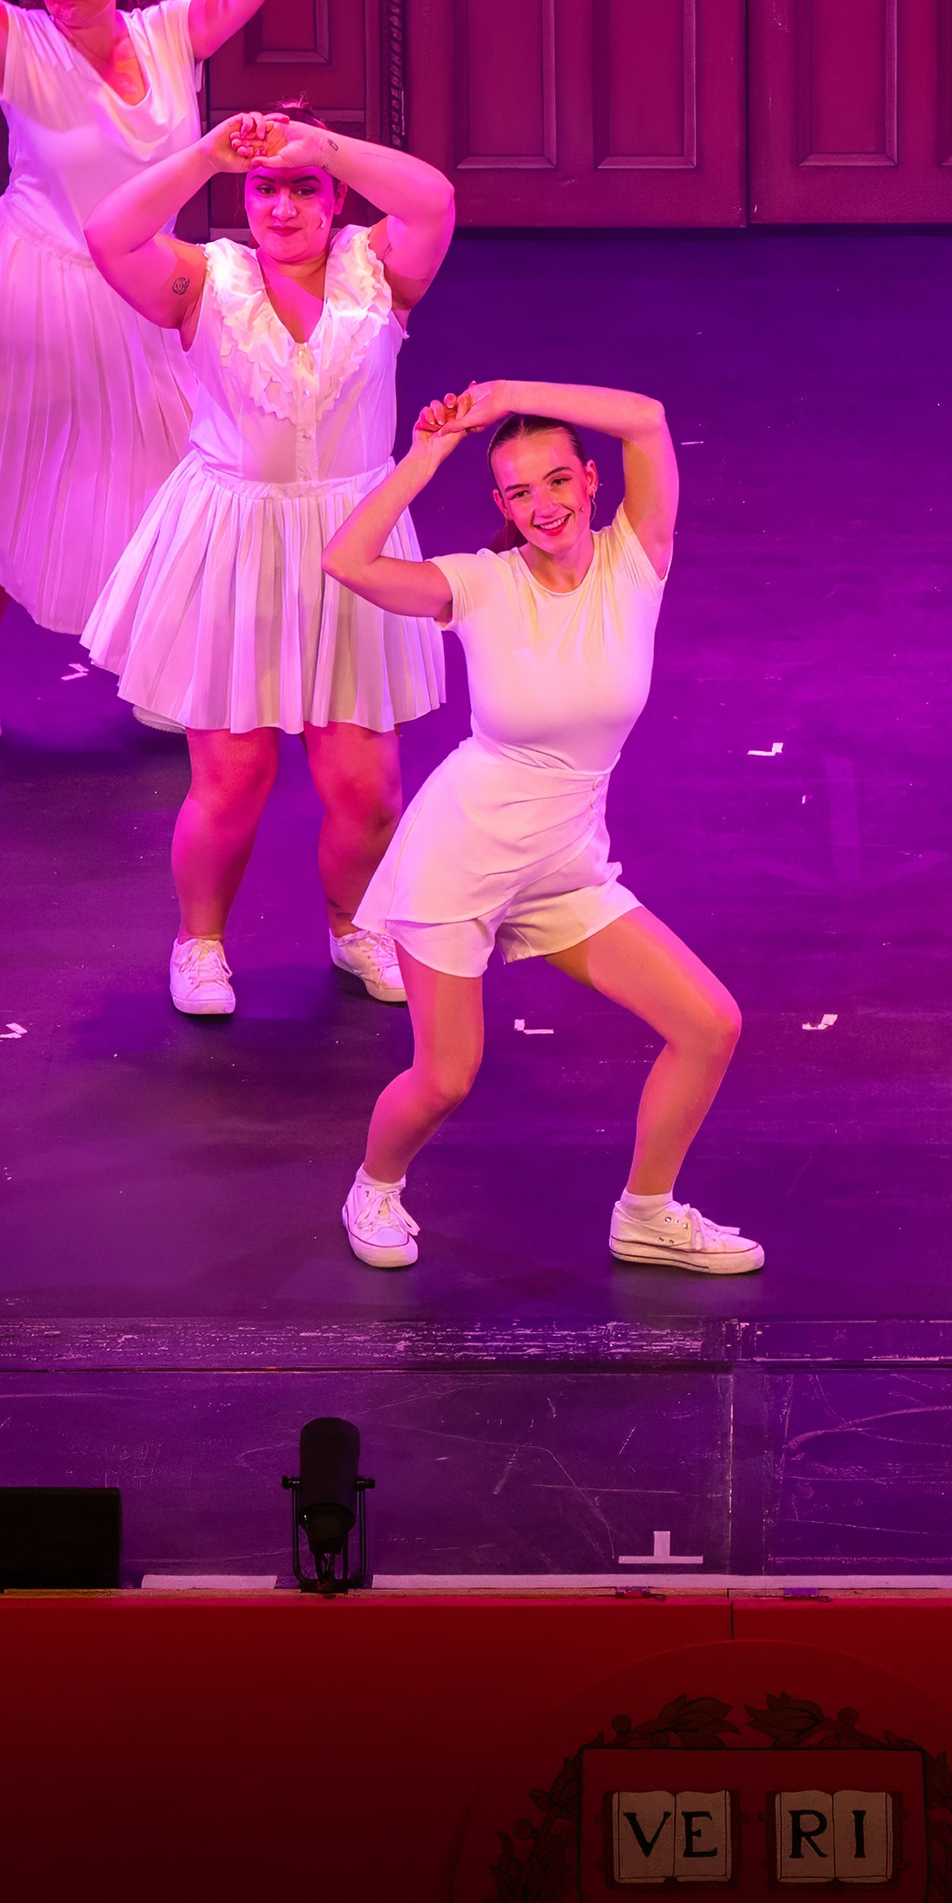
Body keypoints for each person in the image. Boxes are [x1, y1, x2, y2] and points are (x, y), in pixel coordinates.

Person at [319, 383, 757, 1273]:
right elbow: (347, 561)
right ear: (502, 506)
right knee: (446, 1077)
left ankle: (646, 1214)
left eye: (558, 480)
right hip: (461, 857)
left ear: (592, 481)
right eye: (519, 492)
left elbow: (648, 418)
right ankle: (374, 1184)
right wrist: (428, 454)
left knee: (709, 1023)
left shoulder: (637, 559)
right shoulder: (480, 584)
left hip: (565, 863)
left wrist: (503, 397)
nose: (544, 505)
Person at [82, 107, 458, 1014]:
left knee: (367, 788)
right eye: (264, 189)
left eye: (303, 189)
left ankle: (354, 925)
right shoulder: (205, 280)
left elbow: (436, 200)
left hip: (352, 543)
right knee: (234, 777)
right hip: (236, 544)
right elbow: (107, 234)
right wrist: (207, 154)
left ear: (335, 199)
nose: (282, 208)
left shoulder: (378, 272)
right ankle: (199, 942)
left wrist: (324, 145)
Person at [0, 0, 274, 743]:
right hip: (34, 286)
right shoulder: (18, 44)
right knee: (12, 480)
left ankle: (157, 665)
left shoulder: (168, 33)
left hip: (145, 284)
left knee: (171, 469)